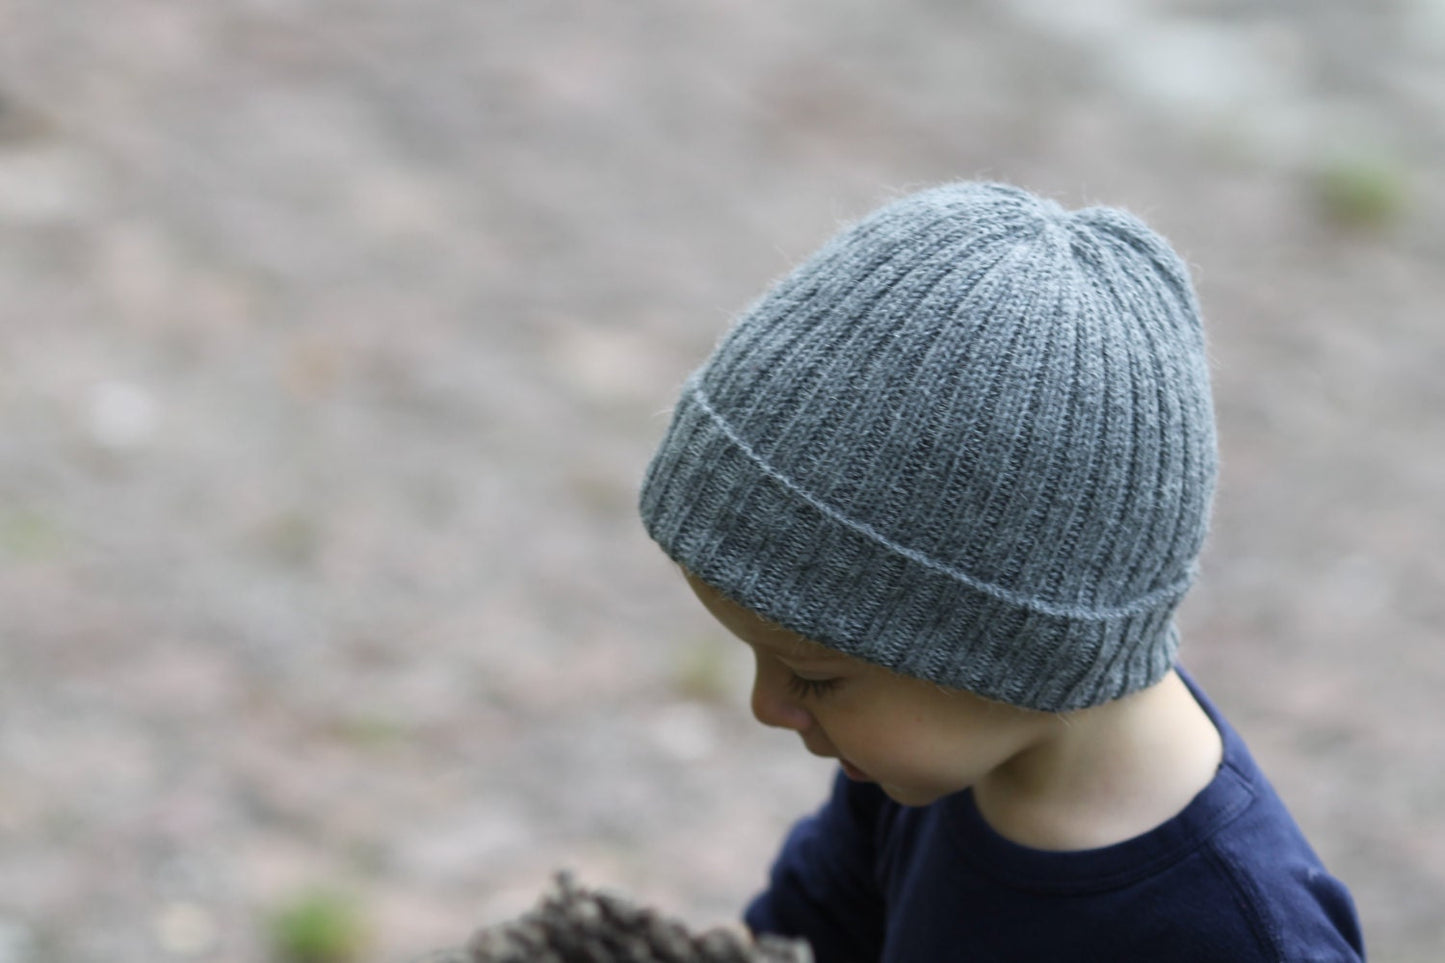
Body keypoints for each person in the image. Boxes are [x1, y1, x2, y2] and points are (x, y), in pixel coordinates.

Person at [636, 182, 1365, 962]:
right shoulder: (912, 770)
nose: (763, 705)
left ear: (1012, 652)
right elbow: (802, 935)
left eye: (814, 676)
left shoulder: (1236, 933)